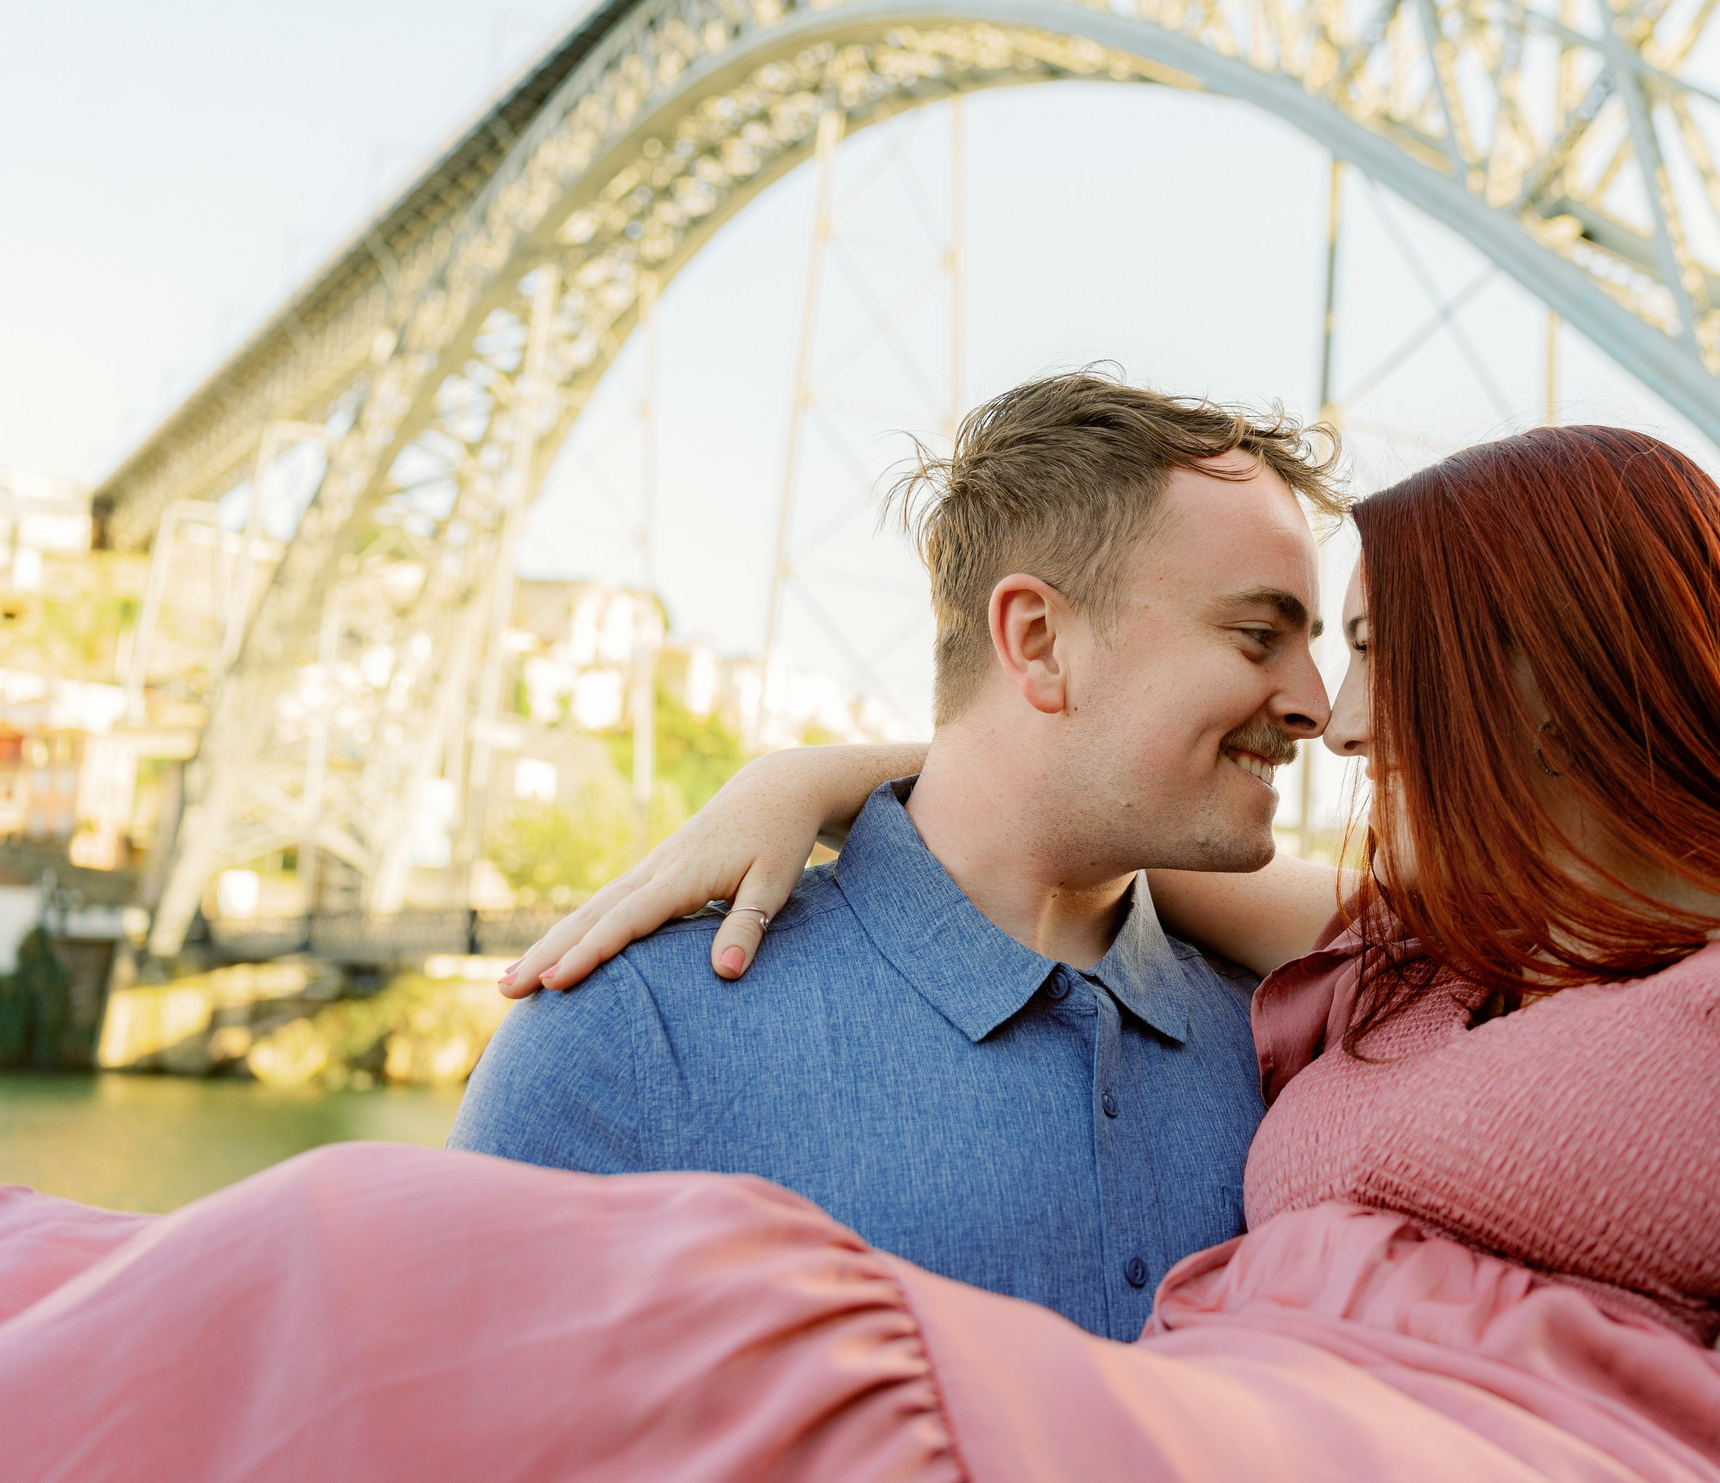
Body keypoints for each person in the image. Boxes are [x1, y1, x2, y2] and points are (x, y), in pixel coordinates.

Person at [0, 426, 1720, 1483]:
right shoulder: (1391, 962)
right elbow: (1038, 783)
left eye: (1359, 641)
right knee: (267, 1267)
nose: (1332, 700)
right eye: (1282, 633)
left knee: (523, 1303)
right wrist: (822, 775)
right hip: (1223, 1456)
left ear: (1564, 659)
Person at [447, 372, 1344, 1340]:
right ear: (1037, 641)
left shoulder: (1299, 1042)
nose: (1317, 707)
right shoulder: (632, 1037)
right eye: (1258, 637)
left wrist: (821, 778)